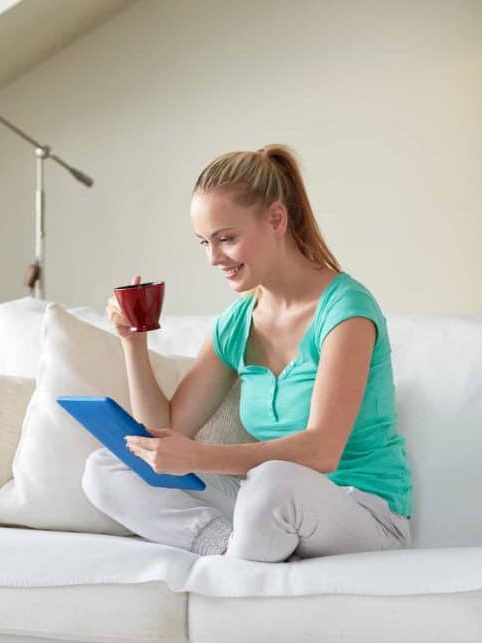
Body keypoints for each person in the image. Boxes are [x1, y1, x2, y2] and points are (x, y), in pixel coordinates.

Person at [82, 144, 413, 563]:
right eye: (204, 242)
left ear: (275, 219)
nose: (214, 258)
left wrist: (202, 456)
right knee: (105, 468)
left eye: (226, 239)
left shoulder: (345, 310)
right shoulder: (235, 324)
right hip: (268, 502)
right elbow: (162, 433)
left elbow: (321, 451)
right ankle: (227, 549)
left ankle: (248, 554)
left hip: (362, 511)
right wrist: (133, 342)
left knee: (273, 481)